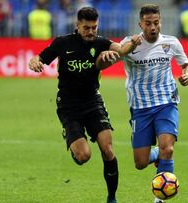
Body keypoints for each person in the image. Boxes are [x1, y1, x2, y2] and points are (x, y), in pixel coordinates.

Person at [28, 7, 140, 203]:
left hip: (92, 102)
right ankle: (71, 137)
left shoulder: (101, 42)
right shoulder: (63, 43)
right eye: (86, 28)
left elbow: (121, 50)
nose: (91, 32)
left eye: (94, 27)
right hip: (69, 106)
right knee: (83, 156)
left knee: (108, 149)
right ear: (77, 26)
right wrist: (34, 62)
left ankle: (112, 197)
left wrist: (133, 44)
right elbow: (39, 58)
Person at [97, 4, 188, 203]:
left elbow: (186, 65)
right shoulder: (128, 43)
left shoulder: (171, 43)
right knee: (140, 162)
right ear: (140, 23)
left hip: (166, 102)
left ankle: (160, 198)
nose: (152, 27)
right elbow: (105, 64)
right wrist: (105, 57)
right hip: (140, 108)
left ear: (160, 22)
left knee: (168, 148)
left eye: (156, 23)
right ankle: (156, 153)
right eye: (148, 23)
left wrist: (186, 74)